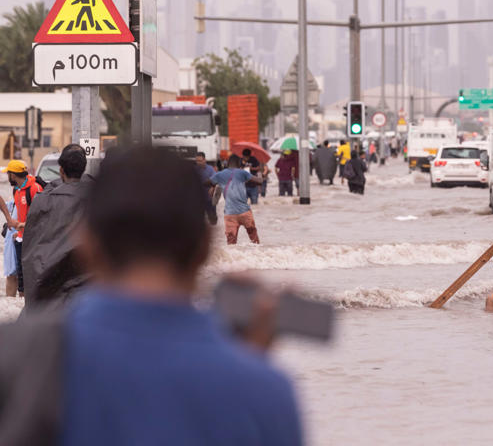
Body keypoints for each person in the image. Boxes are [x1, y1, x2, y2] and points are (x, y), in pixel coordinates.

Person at [0, 147, 303, 445]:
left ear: (88, 244)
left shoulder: (16, 354)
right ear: (204, 250)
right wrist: (246, 369)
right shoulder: (265, 392)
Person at [22, 145, 92, 305]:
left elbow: (31, 248)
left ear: (61, 171)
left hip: (53, 289)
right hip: (85, 289)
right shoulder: (97, 198)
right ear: (84, 168)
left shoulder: (43, 201)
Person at [2, 160, 44, 298]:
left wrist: (22, 226)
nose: (7, 177)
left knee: (31, 277)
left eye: (8, 174)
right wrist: (19, 232)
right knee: (21, 279)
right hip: (21, 239)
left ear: (13, 175)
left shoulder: (35, 189)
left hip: (34, 241)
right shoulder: (17, 190)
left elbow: (42, 217)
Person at [207, 154, 260, 245]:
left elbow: (206, 183)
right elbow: (259, 181)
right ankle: (258, 256)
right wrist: (260, 174)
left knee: (231, 242)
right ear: (239, 164)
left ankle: (233, 258)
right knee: (254, 238)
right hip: (244, 212)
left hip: (229, 214)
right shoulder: (242, 173)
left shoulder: (220, 175)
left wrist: (213, 186)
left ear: (227, 163)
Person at [194, 152, 218, 225]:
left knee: (213, 221)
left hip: (209, 198)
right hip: (199, 199)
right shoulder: (194, 169)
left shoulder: (210, 169)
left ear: (204, 160)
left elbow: (216, 179)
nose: (198, 163)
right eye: (197, 161)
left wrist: (212, 187)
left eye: (200, 161)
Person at [2, 198, 18, 297]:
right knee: (11, 274)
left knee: (24, 276)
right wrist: (8, 218)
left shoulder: (33, 189)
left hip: (25, 236)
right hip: (12, 236)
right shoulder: (16, 195)